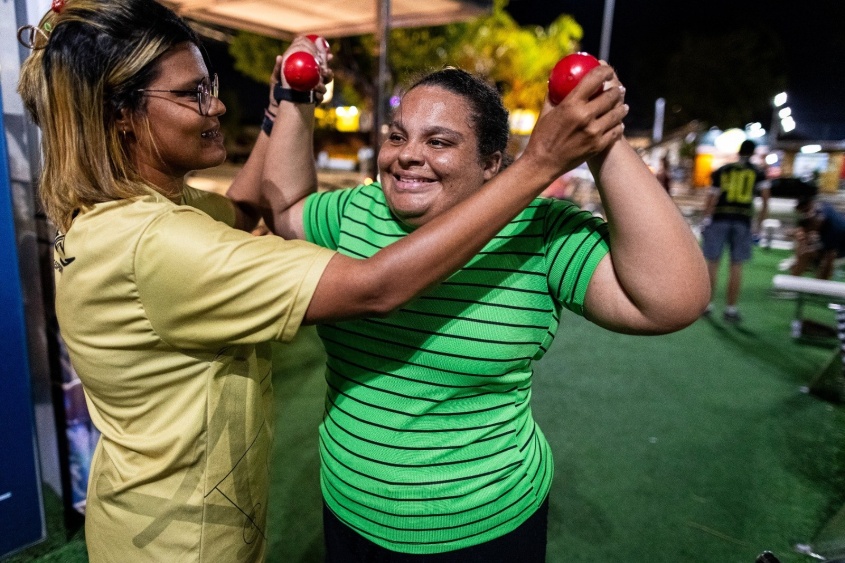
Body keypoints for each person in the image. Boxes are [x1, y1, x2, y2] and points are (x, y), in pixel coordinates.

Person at [16, 0, 629, 560]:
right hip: (178, 542)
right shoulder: (164, 243)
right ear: (122, 115)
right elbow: (375, 288)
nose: (217, 106)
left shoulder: (129, 215)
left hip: (162, 513)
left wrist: (290, 97)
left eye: (211, 87)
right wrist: (540, 163)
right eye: (192, 93)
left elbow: (252, 208)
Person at [258, 67, 710, 560]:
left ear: (492, 162)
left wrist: (600, 137)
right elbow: (285, 212)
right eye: (398, 136)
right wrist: (295, 94)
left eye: (439, 142)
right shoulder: (355, 211)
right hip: (350, 510)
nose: (408, 155)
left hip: (488, 525)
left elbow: (673, 299)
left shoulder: (537, 231)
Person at [700, 139, 770, 322]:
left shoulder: (723, 170)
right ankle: (730, 309)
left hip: (720, 217)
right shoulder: (758, 172)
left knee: (712, 263)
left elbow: (712, 196)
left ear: (739, 152)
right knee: (736, 266)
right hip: (743, 219)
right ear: (754, 153)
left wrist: (706, 218)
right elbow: (765, 201)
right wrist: (759, 225)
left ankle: (707, 305)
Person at [791, 195, 845, 279]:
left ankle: (793, 282)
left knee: (807, 253)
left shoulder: (833, 232)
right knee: (804, 246)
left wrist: (820, 284)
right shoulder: (822, 208)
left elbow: (829, 259)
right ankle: (795, 277)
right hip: (832, 238)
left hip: (841, 248)